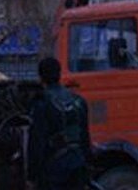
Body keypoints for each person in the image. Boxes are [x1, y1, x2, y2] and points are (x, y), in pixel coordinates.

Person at [27, 57, 91, 190]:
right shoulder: (78, 101)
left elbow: (36, 143)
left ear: (40, 77)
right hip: (77, 163)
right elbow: (85, 137)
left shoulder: (41, 104)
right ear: (59, 74)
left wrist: (31, 176)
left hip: (54, 170)